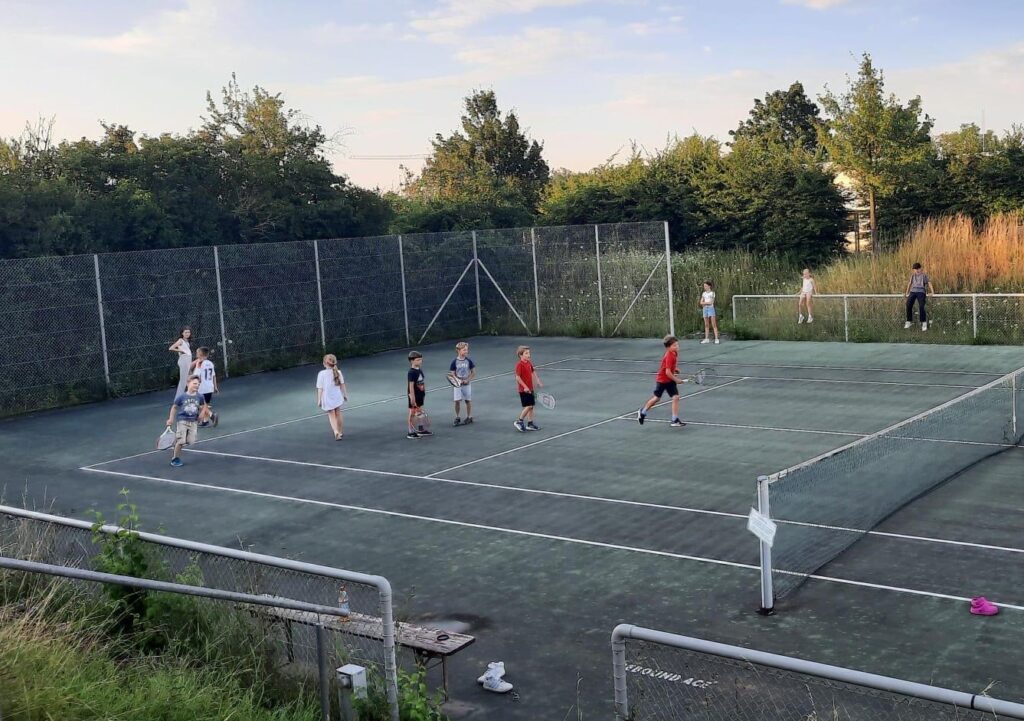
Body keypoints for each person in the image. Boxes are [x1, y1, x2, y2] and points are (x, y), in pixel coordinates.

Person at [637, 335, 685, 428]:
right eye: (674, 345)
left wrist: (675, 369)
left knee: (676, 397)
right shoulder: (669, 355)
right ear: (668, 347)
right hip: (662, 380)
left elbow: (669, 367)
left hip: (669, 380)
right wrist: (677, 380)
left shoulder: (674, 353)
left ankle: (674, 420)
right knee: (657, 398)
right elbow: (667, 372)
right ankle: (642, 412)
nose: (677, 347)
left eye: (677, 345)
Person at [166, 375, 209, 467]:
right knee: (182, 441)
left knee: (191, 441)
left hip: (193, 422)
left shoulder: (200, 396)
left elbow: (203, 406)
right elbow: (174, 407)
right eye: (194, 383)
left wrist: (202, 414)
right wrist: (171, 418)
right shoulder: (182, 397)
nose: (197, 386)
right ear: (188, 383)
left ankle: (177, 440)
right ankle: (175, 459)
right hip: (182, 420)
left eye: (198, 384)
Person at [316, 354, 348, 440]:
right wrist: (345, 395)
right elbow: (342, 385)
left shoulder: (321, 374)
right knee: (338, 413)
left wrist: (319, 400)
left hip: (327, 398)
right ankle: (340, 432)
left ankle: (335, 431)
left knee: (331, 415)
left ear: (324, 363)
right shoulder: (338, 372)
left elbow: (320, 388)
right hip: (337, 396)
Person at [514, 346, 542, 432]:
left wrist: (537, 380)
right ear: (520, 355)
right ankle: (519, 421)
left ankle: (530, 424)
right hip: (523, 390)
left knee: (531, 407)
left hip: (530, 388)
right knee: (529, 406)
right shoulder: (519, 365)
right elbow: (517, 377)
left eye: (529, 353)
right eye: (526, 353)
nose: (529, 355)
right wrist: (525, 387)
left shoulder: (529, 363)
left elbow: (533, 371)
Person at [450, 341, 477, 426]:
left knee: (468, 400)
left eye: (467, 350)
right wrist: (458, 381)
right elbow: (452, 374)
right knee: (457, 401)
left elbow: (473, 372)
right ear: (458, 350)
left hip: (467, 384)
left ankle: (469, 417)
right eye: (464, 350)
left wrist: (468, 380)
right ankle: (457, 417)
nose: (466, 351)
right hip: (457, 385)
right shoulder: (454, 362)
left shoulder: (469, 361)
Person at [407, 351, 432, 438]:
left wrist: (423, 392)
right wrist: (412, 398)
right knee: (412, 413)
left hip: (420, 395)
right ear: (412, 361)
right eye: (418, 360)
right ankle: (410, 432)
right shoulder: (411, 372)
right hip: (414, 396)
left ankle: (421, 430)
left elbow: (422, 382)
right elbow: (410, 386)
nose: (420, 361)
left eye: (421, 359)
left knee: (420, 412)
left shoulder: (419, 370)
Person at [904, 262, 934, 331]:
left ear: (920, 268)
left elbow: (929, 283)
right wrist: (906, 292)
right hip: (913, 291)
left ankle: (924, 322)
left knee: (921, 306)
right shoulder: (913, 275)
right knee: (908, 304)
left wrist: (932, 292)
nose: (917, 270)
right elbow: (909, 283)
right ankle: (909, 321)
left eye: (918, 269)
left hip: (921, 291)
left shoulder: (924, 275)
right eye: (915, 269)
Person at [194, 347, 219, 427]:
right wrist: (215, 386)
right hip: (210, 387)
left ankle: (212, 415)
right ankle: (205, 421)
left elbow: (197, 376)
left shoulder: (199, 363)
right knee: (205, 405)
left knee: (201, 405)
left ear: (200, 354)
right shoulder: (210, 363)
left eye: (197, 353)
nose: (196, 354)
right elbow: (213, 376)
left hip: (202, 388)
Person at [168, 327, 193, 396]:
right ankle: (178, 397)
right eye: (186, 332)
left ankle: (191, 394)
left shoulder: (187, 340)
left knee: (191, 377)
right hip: (183, 360)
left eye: (188, 332)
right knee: (183, 380)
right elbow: (171, 348)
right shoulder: (180, 340)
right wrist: (181, 350)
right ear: (182, 333)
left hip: (187, 360)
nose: (187, 334)